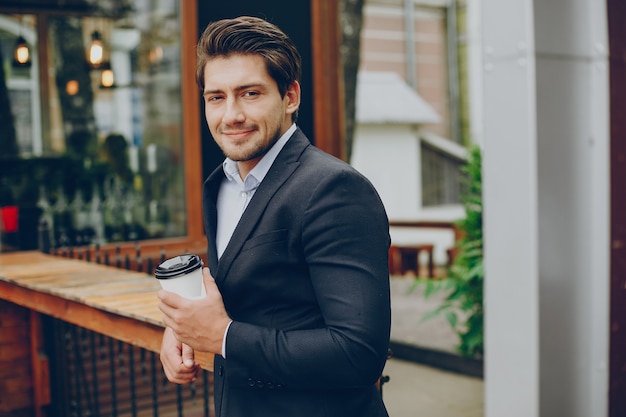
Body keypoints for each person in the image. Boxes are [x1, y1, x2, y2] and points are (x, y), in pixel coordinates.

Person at [158, 16, 391, 417]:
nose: (231, 115)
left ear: (290, 97)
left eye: (249, 93)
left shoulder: (335, 189)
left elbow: (358, 353)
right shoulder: (220, 185)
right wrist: (183, 330)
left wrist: (222, 337)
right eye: (216, 97)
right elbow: (248, 290)